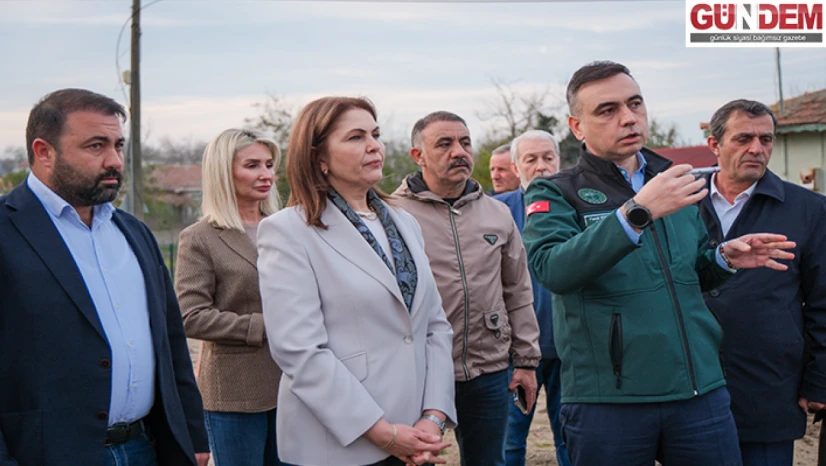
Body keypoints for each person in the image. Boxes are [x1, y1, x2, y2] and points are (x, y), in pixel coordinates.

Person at [521, 61, 796, 466]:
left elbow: (689, 272)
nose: (628, 117)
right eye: (607, 110)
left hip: (699, 391)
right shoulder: (556, 191)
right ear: (577, 127)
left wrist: (723, 258)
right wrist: (636, 213)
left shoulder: (675, 178)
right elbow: (553, 269)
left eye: (635, 104)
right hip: (610, 400)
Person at [0, 88, 209, 465]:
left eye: (118, 145)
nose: (114, 160)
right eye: (96, 146)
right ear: (44, 152)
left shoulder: (134, 232)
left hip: (146, 447)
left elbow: (170, 340)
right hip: (48, 454)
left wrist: (193, 434)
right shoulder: (6, 230)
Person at [256, 96, 456, 466]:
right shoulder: (287, 231)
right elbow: (299, 350)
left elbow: (434, 326)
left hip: (415, 435)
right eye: (356, 137)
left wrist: (433, 417)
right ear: (318, 156)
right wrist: (381, 432)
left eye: (376, 134)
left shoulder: (405, 223)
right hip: (338, 444)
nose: (374, 146)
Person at [393, 111, 542, 466]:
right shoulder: (392, 214)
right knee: (413, 461)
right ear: (418, 155)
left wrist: (526, 360)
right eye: (444, 144)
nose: (458, 151)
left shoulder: (497, 214)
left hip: (486, 370)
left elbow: (518, 290)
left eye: (465, 142)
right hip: (416, 371)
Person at [699, 99, 826, 466]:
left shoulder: (809, 210)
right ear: (714, 144)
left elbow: (823, 300)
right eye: (743, 138)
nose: (757, 148)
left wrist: (820, 379)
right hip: (689, 385)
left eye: (766, 139)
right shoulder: (680, 203)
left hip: (768, 385)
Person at [174, 129, 285, 465]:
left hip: (293, 383)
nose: (266, 174)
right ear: (223, 172)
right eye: (252, 165)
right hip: (235, 392)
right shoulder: (200, 238)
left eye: (269, 164)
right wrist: (265, 327)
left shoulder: (288, 228)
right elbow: (190, 316)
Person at [493, 130, 570, 466]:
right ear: (516, 166)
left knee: (570, 438)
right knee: (509, 440)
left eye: (548, 158)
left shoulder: (577, 203)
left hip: (570, 346)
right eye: (531, 159)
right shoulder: (497, 211)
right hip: (515, 349)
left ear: (559, 161)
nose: (541, 166)